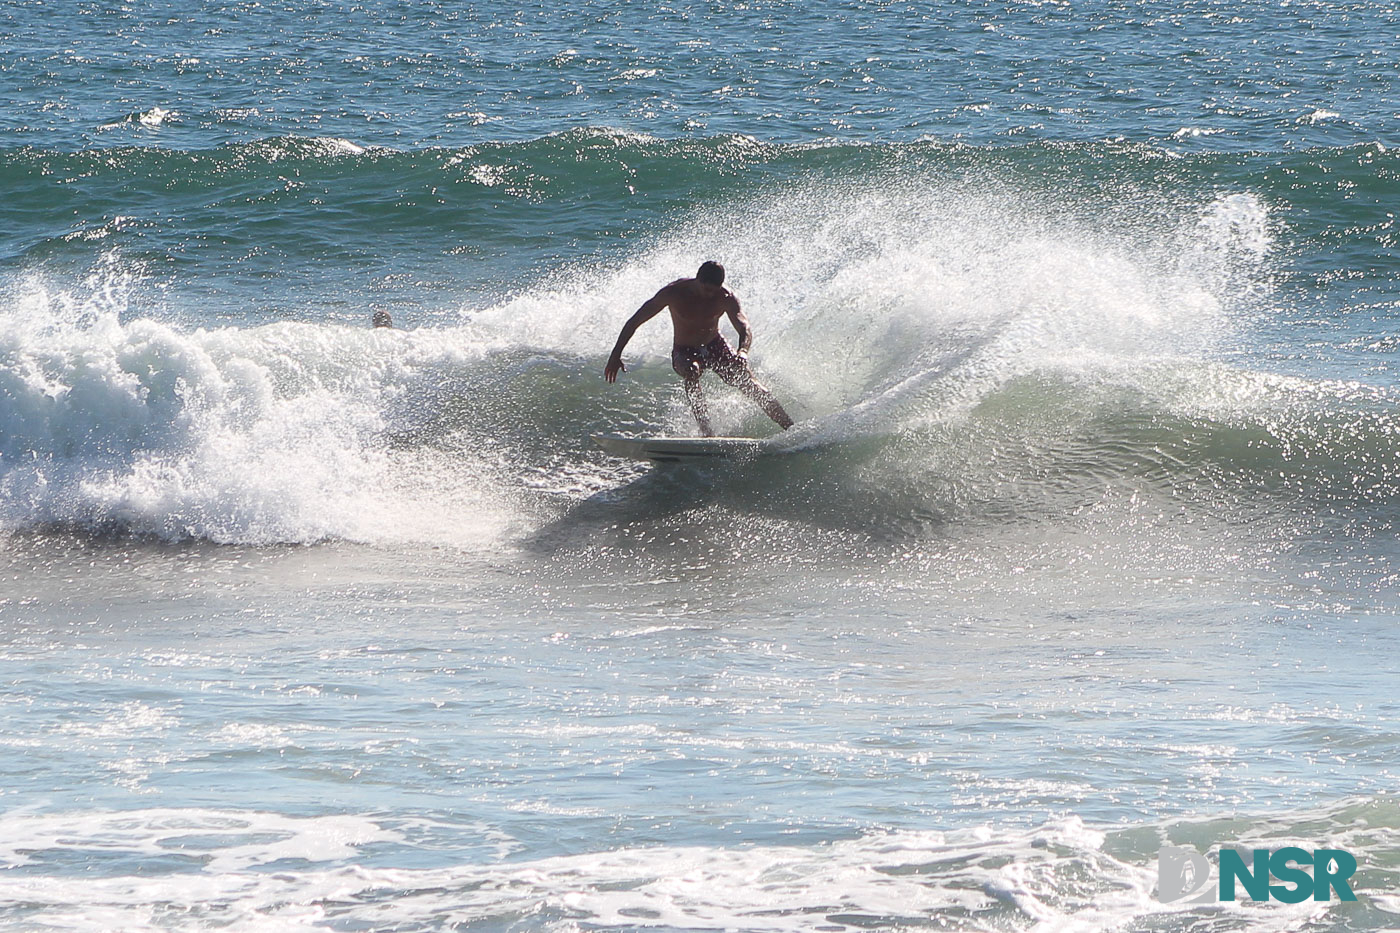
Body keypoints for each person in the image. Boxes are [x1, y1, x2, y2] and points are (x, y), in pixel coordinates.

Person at [604, 261, 794, 436]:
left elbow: (744, 326)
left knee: (747, 382)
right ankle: (707, 433)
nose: (709, 294)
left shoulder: (726, 297)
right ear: (697, 280)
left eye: (714, 290)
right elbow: (635, 321)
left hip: (714, 345)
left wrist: (743, 351)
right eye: (706, 289)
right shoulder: (674, 293)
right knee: (691, 371)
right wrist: (615, 355)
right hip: (684, 350)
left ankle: (791, 428)